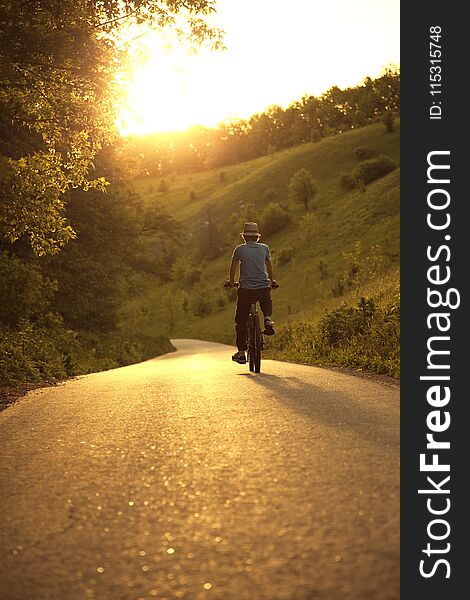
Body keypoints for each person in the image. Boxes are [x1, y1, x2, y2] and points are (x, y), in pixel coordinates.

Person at [227, 222, 277, 364]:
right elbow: (269, 265)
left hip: (246, 289)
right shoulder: (264, 248)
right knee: (266, 301)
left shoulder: (239, 250)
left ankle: (242, 353)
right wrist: (271, 281)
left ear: (244, 237)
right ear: (257, 237)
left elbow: (233, 267)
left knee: (240, 322)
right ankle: (267, 318)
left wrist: (231, 282)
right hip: (263, 286)